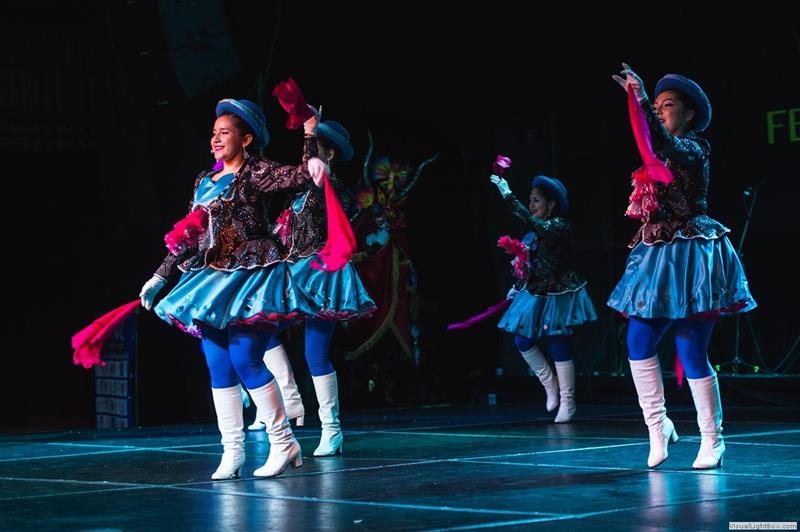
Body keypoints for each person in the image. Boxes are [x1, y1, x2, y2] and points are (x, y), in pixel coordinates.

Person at [138, 98, 329, 479]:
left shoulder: (255, 171)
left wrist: (310, 138)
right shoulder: (204, 182)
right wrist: (160, 276)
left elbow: (301, 176)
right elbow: (189, 236)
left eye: (224, 133)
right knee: (217, 364)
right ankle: (233, 451)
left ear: (246, 139)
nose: (215, 139)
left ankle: (283, 441)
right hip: (211, 279)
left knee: (246, 358)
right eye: (214, 133)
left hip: (250, 274)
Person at [609, 64, 756, 469]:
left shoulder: (694, 148)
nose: (660, 111)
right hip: (656, 254)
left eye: (668, 105)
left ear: (689, 114)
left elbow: (665, 144)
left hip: (693, 252)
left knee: (690, 347)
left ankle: (713, 440)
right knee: (638, 342)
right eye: (656, 106)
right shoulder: (657, 153)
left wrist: (640, 100)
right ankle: (659, 427)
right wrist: (640, 105)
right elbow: (652, 142)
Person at [248, 111, 376, 457]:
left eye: (314, 148)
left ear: (328, 154)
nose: (306, 157)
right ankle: (286, 399)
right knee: (257, 328)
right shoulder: (301, 190)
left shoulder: (327, 184)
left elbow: (312, 170)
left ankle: (331, 429)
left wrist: (309, 133)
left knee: (314, 354)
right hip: (293, 272)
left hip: (321, 273)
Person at [489, 173, 597, 423]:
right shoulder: (532, 231)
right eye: (530, 200)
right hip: (537, 288)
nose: (531, 205)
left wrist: (508, 196)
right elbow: (528, 263)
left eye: (536, 200)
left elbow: (535, 225)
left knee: (557, 339)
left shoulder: (558, 225)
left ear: (552, 203)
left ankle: (568, 401)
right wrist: (518, 285)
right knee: (521, 339)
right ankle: (549, 382)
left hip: (559, 290)